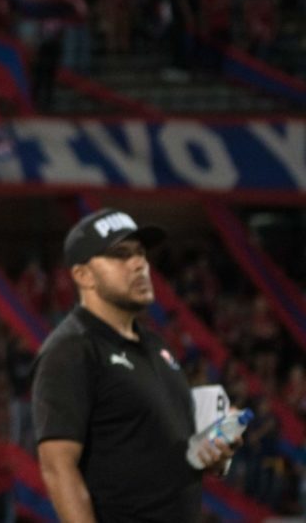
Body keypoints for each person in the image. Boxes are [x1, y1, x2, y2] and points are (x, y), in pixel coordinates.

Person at [32, 208, 240, 522]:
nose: (139, 263)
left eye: (141, 252)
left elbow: (168, 453)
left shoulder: (157, 346)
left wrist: (217, 452)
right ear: (83, 275)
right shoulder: (71, 349)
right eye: (120, 255)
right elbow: (57, 467)